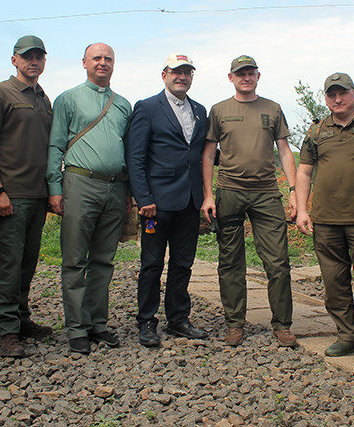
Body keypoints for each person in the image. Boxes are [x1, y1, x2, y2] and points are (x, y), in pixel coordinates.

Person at [201, 55, 298, 347]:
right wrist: (208, 194)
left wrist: (294, 191)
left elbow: (284, 152)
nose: (246, 77)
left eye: (250, 73)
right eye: (240, 73)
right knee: (230, 262)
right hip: (229, 192)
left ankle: (282, 324)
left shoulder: (273, 109)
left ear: (258, 76)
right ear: (231, 77)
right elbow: (207, 154)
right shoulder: (219, 111)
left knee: (278, 262)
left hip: (267, 193)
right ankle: (235, 324)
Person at [295, 73, 354, 368]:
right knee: (334, 281)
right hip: (325, 220)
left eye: (343, 93)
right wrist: (301, 209)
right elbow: (304, 171)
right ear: (326, 99)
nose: (338, 99)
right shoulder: (317, 131)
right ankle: (347, 335)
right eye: (332, 94)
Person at [47, 42, 132, 355]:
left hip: (116, 187)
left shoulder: (123, 104)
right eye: (97, 58)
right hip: (80, 182)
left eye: (108, 58)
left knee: (103, 260)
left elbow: (130, 150)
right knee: (74, 260)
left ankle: (98, 323)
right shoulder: (68, 99)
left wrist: (130, 194)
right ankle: (76, 328)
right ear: (84, 62)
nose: (103, 63)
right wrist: (55, 189)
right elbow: (55, 147)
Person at [0, 35, 54, 358]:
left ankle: (21, 319)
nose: (32, 61)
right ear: (14, 60)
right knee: (8, 264)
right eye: (27, 56)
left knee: (27, 263)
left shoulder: (44, 98)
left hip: (37, 196)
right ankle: (6, 332)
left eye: (38, 56)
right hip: (10, 196)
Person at [126, 54, 209, 347]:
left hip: (189, 201)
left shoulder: (200, 110)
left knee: (183, 263)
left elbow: (201, 155)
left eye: (187, 73)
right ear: (164, 75)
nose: (182, 77)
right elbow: (135, 157)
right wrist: (143, 197)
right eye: (176, 72)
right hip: (156, 203)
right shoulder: (147, 108)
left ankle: (178, 319)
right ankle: (147, 321)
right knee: (151, 263)